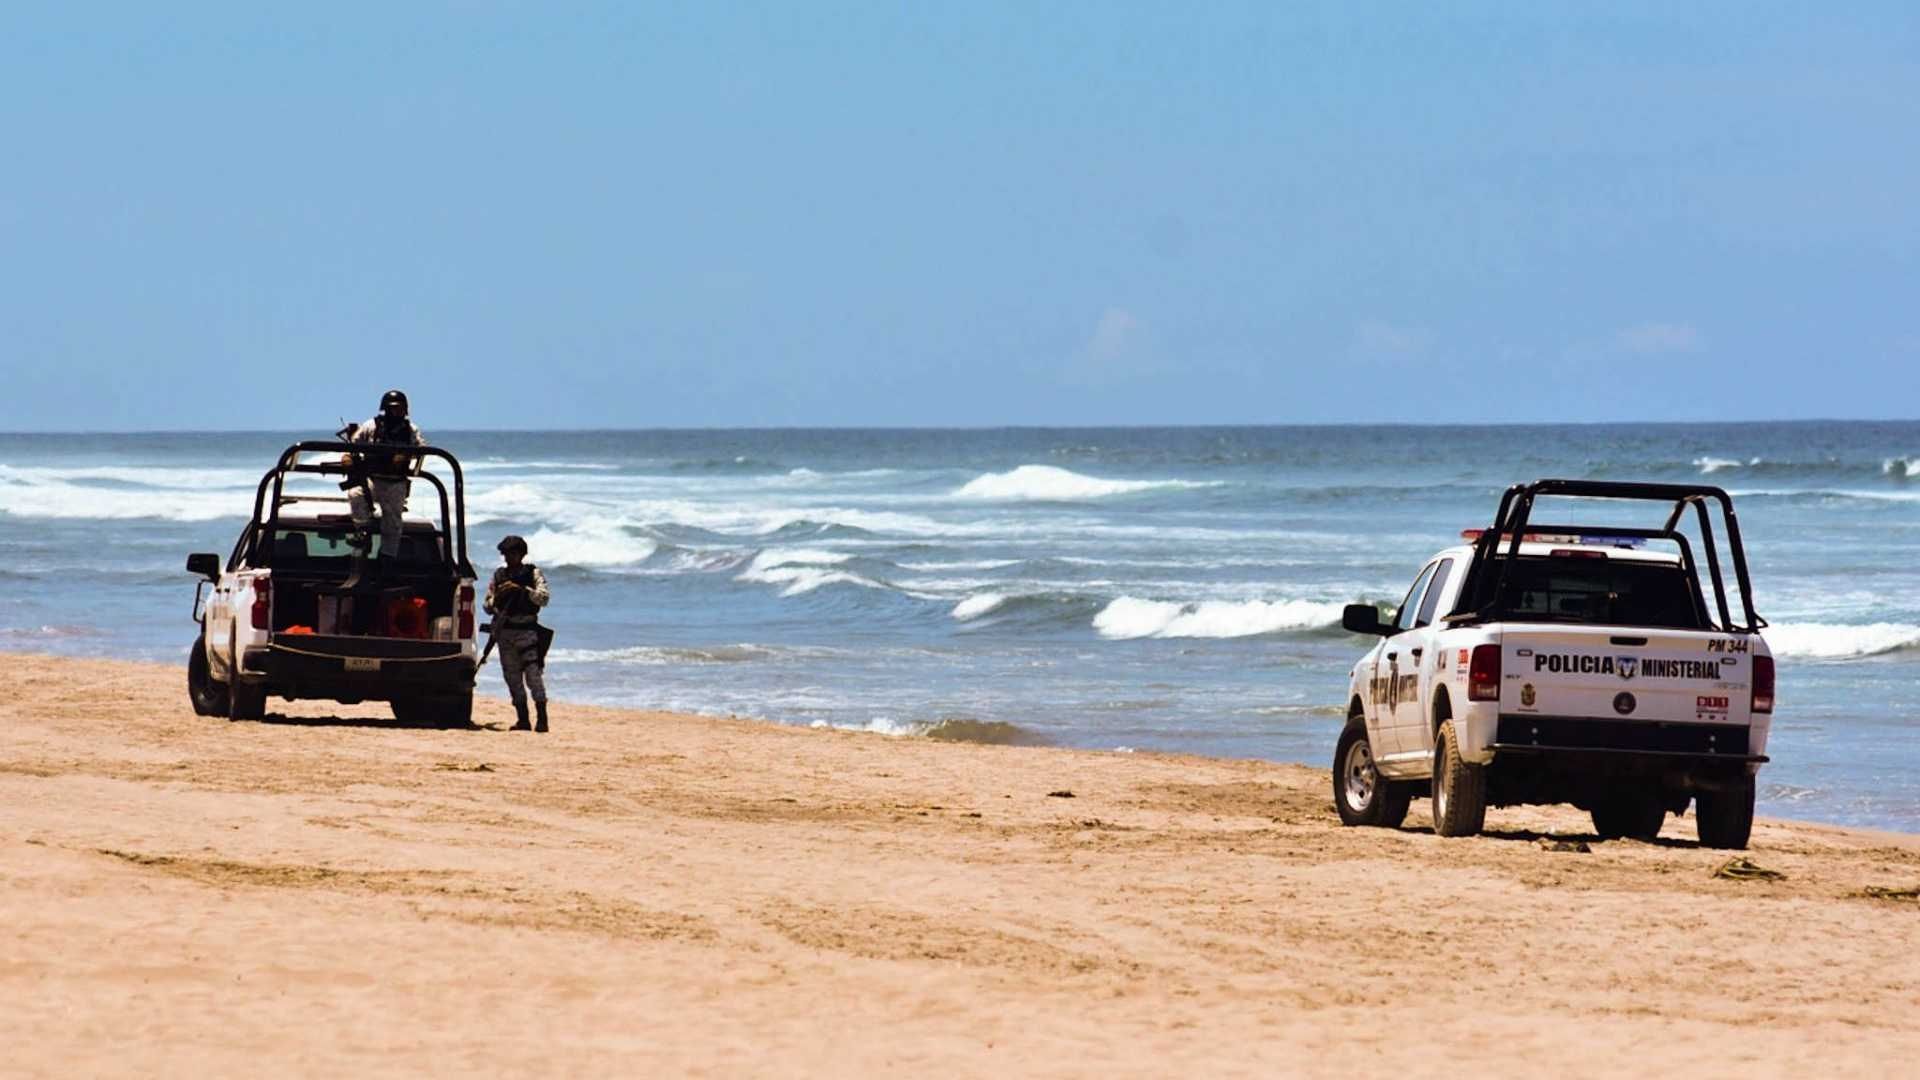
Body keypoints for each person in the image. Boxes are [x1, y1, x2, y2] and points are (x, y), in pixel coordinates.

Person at [342, 389, 425, 578]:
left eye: (401, 408)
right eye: (394, 408)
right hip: (372, 477)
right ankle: (363, 533)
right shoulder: (371, 426)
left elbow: (422, 448)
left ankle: (387, 560)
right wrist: (347, 457)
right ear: (385, 408)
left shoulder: (410, 429)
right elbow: (352, 444)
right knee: (356, 494)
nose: (397, 411)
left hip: (395, 482)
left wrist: (406, 454)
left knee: (393, 523)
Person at [486, 534, 552, 732]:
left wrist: (522, 590)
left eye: (512, 554)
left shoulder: (533, 573)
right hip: (506, 632)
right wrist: (498, 597)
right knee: (512, 677)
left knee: (533, 676)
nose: (508, 558)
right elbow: (487, 605)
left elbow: (544, 598)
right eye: (505, 554)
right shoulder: (499, 576)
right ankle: (523, 719)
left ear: (521, 554)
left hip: (527, 632)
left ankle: (542, 719)